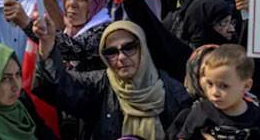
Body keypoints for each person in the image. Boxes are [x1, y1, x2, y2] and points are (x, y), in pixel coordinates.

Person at [32, 19, 191, 139]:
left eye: (129, 48)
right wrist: (47, 44)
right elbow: (58, 86)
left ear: (143, 47)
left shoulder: (173, 92)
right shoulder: (100, 84)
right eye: (111, 52)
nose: (121, 57)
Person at [175, 44, 260, 139]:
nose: (215, 92)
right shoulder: (202, 110)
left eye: (224, 86)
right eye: (210, 84)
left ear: (246, 86)